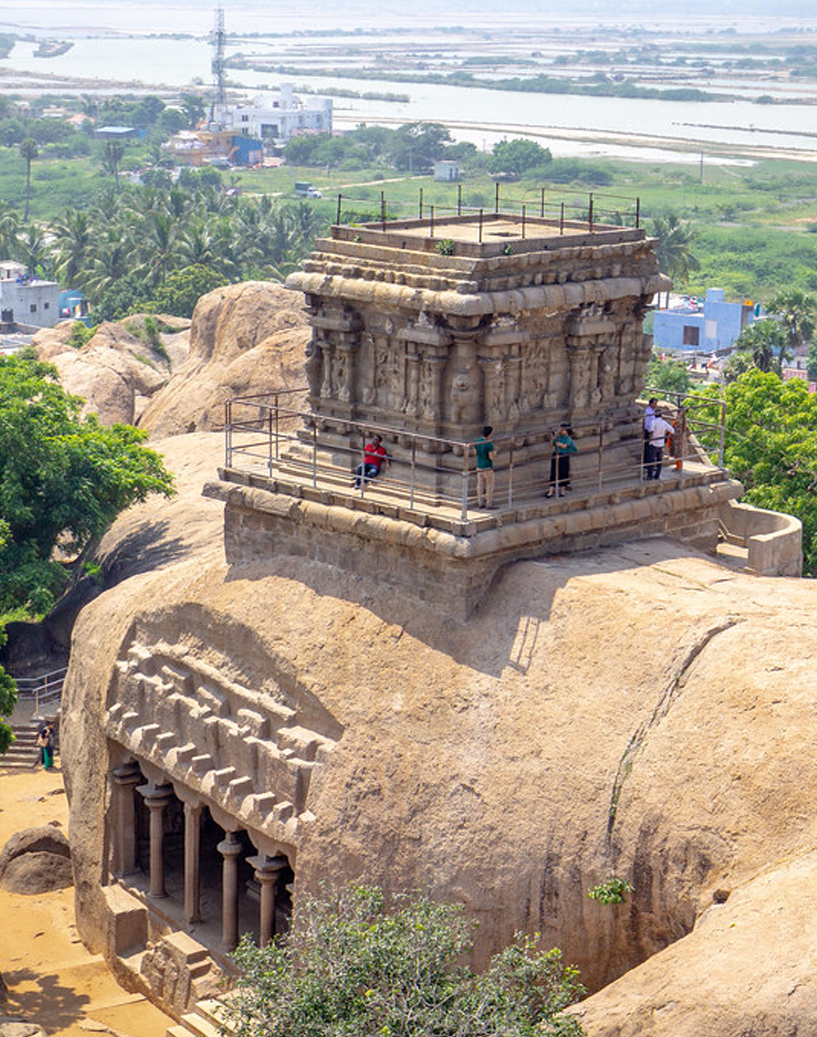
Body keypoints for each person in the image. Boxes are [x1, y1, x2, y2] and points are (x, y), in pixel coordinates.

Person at [546, 423, 577, 498]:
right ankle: (551, 490)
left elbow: (564, 446)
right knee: (553, 472)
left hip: (564, 456)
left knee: (563, 473)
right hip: (556, 454)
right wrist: (553, 437)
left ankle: (562, 490)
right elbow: (551, 445)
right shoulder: (558, 437)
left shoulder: (567, 438)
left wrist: (558, 443)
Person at [647, 409, 674, 481]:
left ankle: (650, 476)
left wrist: (651, 439)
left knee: (651, 460)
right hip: (661, 444)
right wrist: (665, 435)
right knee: (659, 460)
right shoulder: (664, 423)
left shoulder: (653, 422)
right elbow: (672, 430)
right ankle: (657, 475)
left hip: (654, 443)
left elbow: (651, 431)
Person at [473, 425, 496, 509]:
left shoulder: (477, 441)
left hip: (479, 466)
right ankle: (488, 504)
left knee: (480, 485)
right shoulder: (489, 444)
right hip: (487, 466)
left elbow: (475, 453)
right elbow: (491, 457)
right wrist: (495, 453)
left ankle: (480, 502)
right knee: (489, 486)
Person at [643, 397, 658, 476]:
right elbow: (648, 424)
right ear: (651, 404)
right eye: (654, 403)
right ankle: (647, 464)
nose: (656, 405)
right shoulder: (648, 411)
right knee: (648, 448)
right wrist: (650, 433)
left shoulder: (652, 411)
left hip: (651, 431)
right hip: (648, 431)